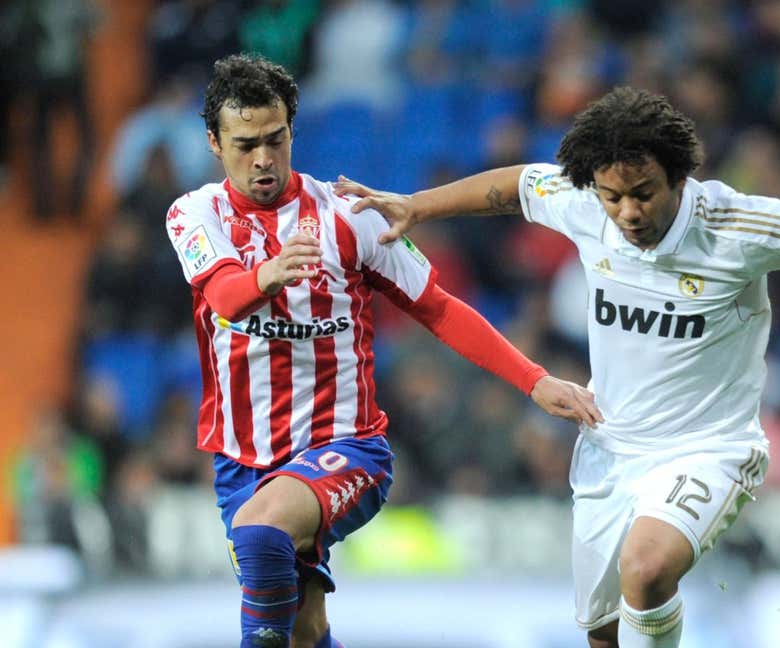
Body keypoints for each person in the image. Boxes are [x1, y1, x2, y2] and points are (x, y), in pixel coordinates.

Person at [334, 86, 780, 648]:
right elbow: (514, 187)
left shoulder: (742, 228)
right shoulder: (586, 202)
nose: (626, 212)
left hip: (710, 449)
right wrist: (417, 208)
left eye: (643, 192)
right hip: (610, 449)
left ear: (678, 176)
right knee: (602, 633)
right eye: (613, 196)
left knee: (646, 570)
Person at [165, 54, 601, 648]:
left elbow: (439, 307)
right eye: (245, 145)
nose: (263, 159)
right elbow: (224, 296)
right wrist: (270, 274)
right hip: (241, 459)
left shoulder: (350, 219)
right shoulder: (194, 214)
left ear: (293, 130)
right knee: (305, 631)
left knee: (261, 533)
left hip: (346, 448)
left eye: (275, 139)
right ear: (215, 144)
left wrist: (534, 380)